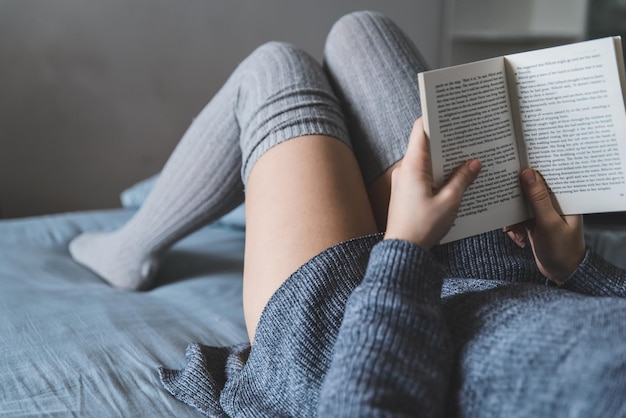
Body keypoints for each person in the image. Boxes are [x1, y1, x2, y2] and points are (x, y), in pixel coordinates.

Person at [69, 11, 626, 417]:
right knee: (362, 28)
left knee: (275, 66)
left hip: (345, 347)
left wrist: (404, 248)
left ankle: (129, 250)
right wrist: (575, 267)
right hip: (514, 272)